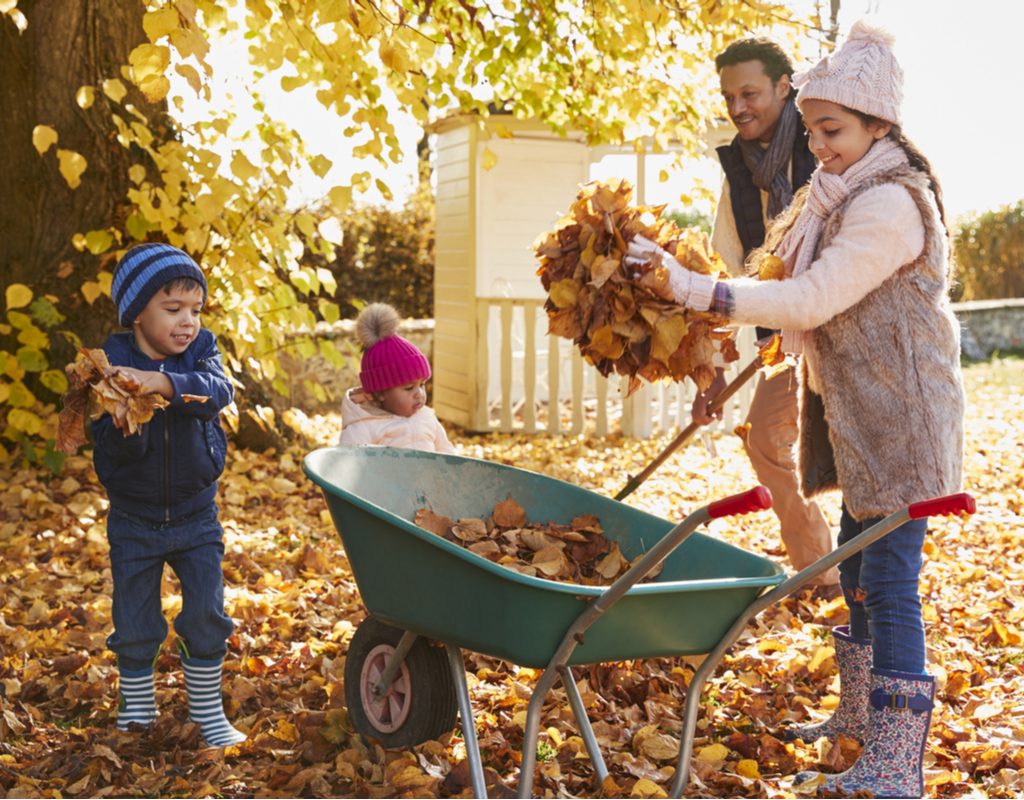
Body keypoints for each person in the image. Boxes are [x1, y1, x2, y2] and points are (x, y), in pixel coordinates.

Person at [628, 22, 964, 798]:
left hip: (900, 420)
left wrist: (694, 291)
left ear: (880, 126)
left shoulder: (890, 206)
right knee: (854, 565)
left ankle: (894, 761)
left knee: (890, 579)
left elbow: (811, 296)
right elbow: (784, 284)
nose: (818, 147)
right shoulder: (840, 192)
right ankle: (857, 716)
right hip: (855, 417)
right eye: (811, 130)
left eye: (833, 130)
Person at [699, 36, 840, 598]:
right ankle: (821, 572)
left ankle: (872, 582)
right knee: (763, 439)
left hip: (842, 332)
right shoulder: (737, 174)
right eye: (730, 96)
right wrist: (708, 369)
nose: (738, 108)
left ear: (785, 88)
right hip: (784, 343)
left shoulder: (829, 145)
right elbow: (721, 277)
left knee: (855, 456)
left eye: (750, 92)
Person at [93, 243, 246, 747]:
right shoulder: (112, 362)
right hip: (134, 518)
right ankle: (137, 709)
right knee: (135, 618)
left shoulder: (203, 353)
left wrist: (162, 383)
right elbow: (106, 450)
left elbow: (217, 392)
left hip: (196, 514)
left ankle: (206, 713)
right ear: (138, 313)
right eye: (173, 308)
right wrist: (122, 416)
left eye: (196, 310)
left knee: (206, 612)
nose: (188, 322)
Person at [339, 303, 456, 453]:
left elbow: (448, 455)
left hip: (428, 477)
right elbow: (347, 465)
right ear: (380, 393)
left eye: (422, 385)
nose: (419, 394)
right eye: (409, 388)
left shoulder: (427, 418)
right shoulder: (364, 427)